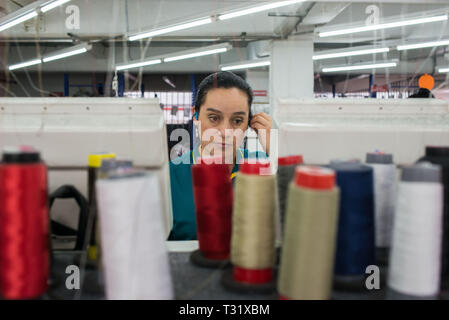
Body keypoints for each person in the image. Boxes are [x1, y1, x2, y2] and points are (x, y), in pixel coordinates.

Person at [168, 71, 273, 240]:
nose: (225, 132)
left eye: (237, 121)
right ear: (195, 115)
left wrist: (275, 148)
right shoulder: (171, 177)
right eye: (213, 118)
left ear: (249, 123)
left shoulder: (262, 165)